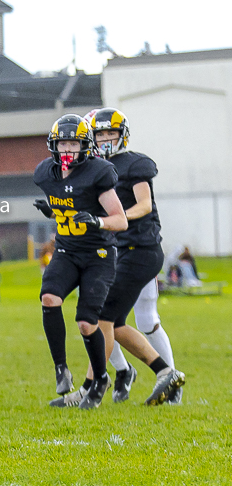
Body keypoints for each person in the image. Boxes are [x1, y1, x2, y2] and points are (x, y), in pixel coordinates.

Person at [32, 113, 128, 409]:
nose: (67, 150)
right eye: (63, 144)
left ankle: (100, 378)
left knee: (87, 324)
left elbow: (121, 221)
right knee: (49, 297)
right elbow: (69, 203)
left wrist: (97, 222)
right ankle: (61, 369)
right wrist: (52, 213)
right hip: (66, 249)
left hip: (98, 254)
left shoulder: (98, 172)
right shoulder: (46, 173)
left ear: (85, 146)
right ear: (54, 146)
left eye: (74, 143)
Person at [90, 108, 185, 405]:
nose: (106, 139)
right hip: (115, 252)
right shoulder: (92, 168)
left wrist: (116, 218)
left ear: (122, 135)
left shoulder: (135, 164)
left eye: (111, 133)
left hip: (139, 249)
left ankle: (167, 380)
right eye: (101, 134)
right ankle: (128, 372)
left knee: (136, 317)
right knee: (110, 317)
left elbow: (144, 204)